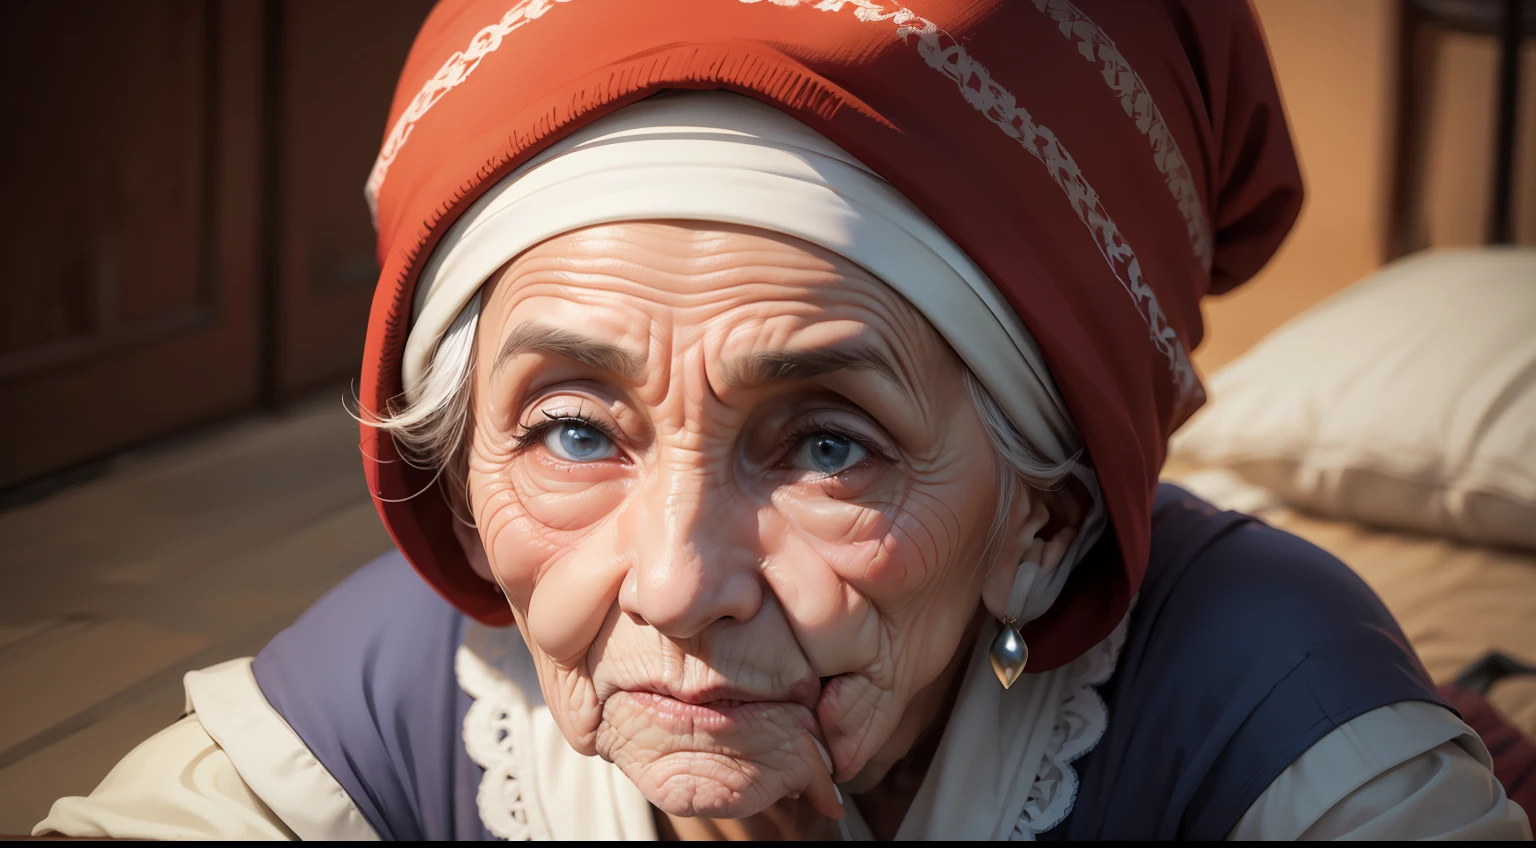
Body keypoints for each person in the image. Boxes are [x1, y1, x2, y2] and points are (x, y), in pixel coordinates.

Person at [35, 0, 1532, 840]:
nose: (677, 583)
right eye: (570, 428)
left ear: (1046, 517)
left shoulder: (1273, 715)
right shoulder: (418, 693)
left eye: (829, 446)